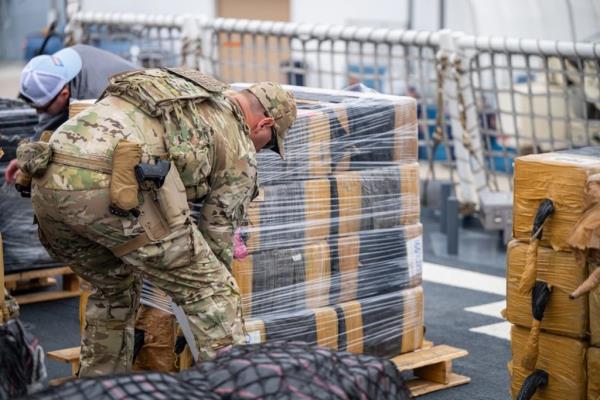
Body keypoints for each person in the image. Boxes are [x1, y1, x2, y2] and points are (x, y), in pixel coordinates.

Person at [16, 67, 296, 377]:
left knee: (112, 291)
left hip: (45, 181)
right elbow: (218, 233)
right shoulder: (238, 141)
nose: (263, 150)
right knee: (214, 292)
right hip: (105, 190)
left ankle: (99, 389)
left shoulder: (183, 93)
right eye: (270, 143)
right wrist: (202, 284)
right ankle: (235, 386)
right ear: (264, 124)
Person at [4, 44, 135, 183]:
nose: (39, 113)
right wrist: (28, 155)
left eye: (43, 109)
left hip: (138, 114)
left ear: (64, 94)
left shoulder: (95, 100)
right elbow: (52, 119)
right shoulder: (60, 65)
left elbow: (83, 152)